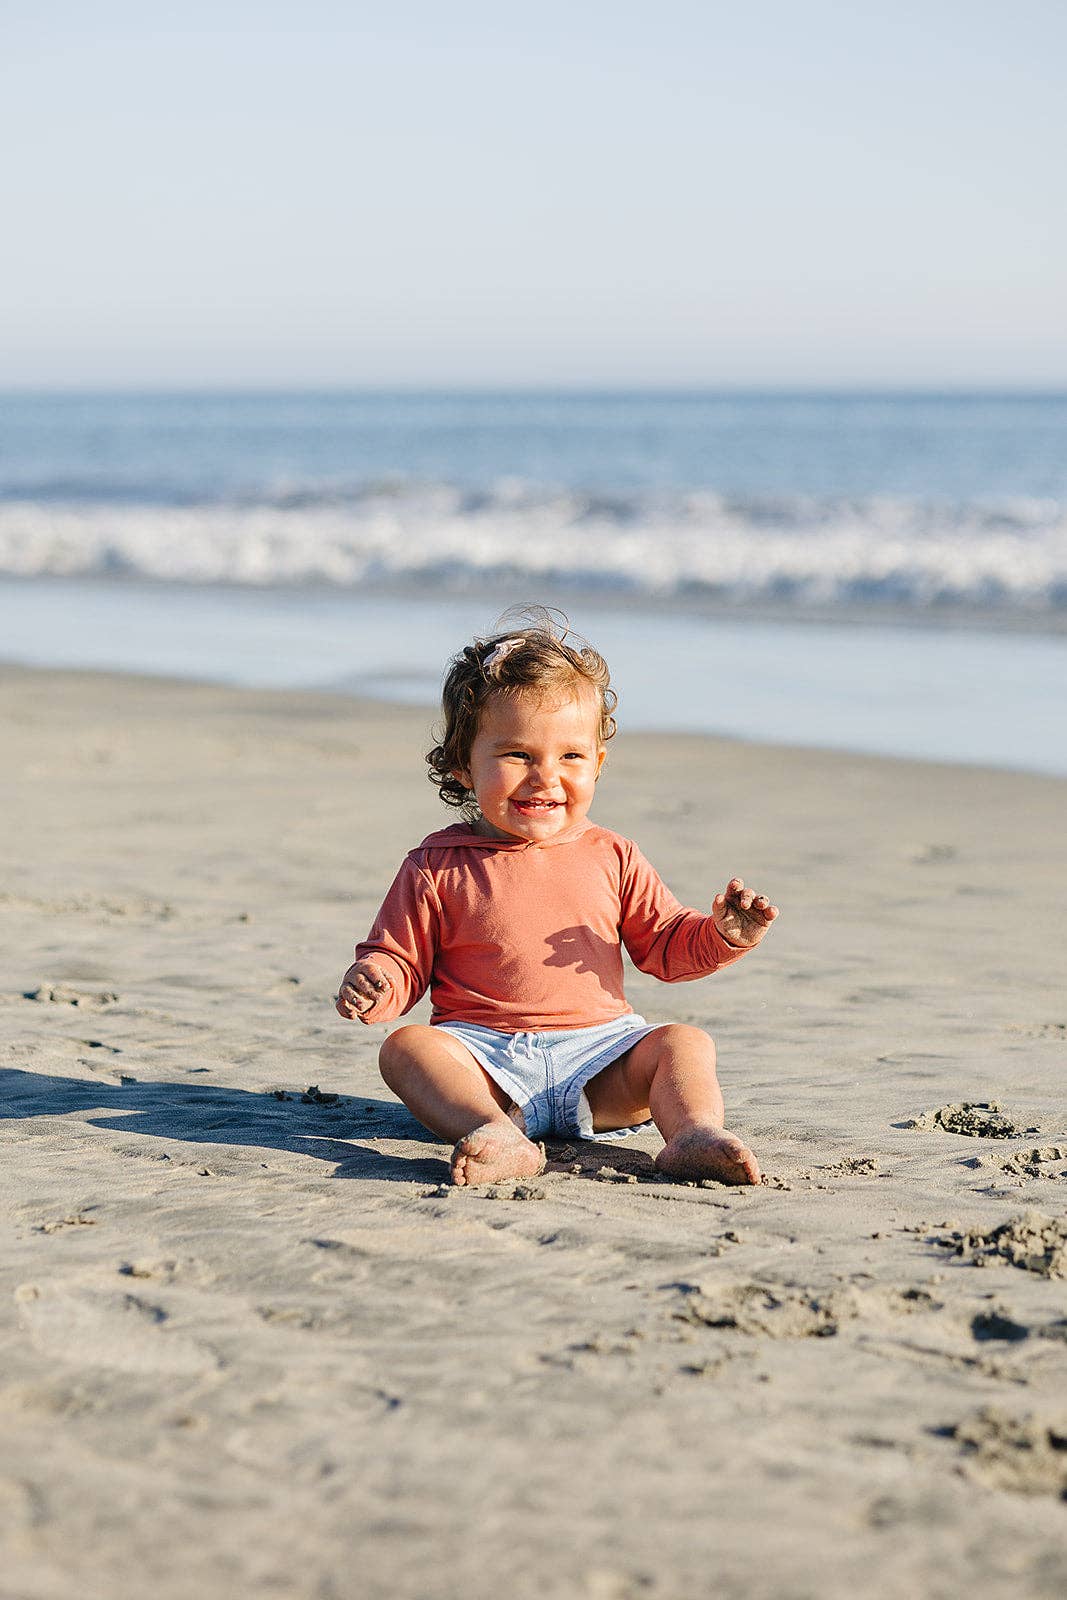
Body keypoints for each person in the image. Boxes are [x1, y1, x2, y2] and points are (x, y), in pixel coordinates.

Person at [336, 610, 778, 1188]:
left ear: (597, 762)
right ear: (461, 765)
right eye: (518, 755)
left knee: (683, 1042)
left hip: (602, 1061)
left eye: (570, 756)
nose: (546, 777)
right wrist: (378, 981)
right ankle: (492, 1132)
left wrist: (721, 936)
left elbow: (665, 946)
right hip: (486, 1061)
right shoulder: (436, 866)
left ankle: (694, 1134)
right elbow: (400, 958)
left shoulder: (612, 854)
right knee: (406, 1049)